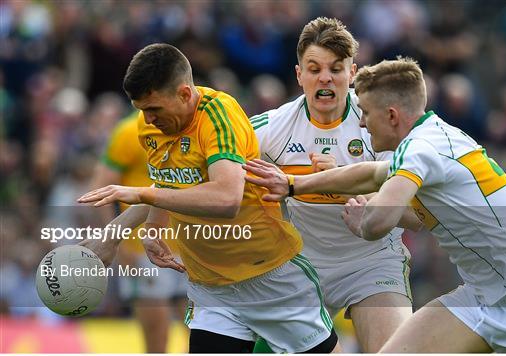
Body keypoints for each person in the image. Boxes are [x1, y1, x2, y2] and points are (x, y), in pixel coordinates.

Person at [243, 57, 506, 353]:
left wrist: (363, 218)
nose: (361, 122)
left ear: (392, 116)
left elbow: (377, 223)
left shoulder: (420, 149)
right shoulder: (429, 138)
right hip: (480, 295)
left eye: (367, 113)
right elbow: (370, 173)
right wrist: (294, 185)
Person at [78, 43, 339, 353]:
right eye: (142, 110)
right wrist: (133, 232)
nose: (147, 119)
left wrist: (140, 194)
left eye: (155, 109)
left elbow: (227, 198)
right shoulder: (148, 126)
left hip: (270, 276)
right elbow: (169, 184)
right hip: (210, 288)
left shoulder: (219, 116)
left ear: (186, 94)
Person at [250, 17, 412, 352]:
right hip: (300, 267)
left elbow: (417, 216)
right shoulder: (272, 128)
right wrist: (137, 220)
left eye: (336, 69)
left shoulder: (382, 126)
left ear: (353, 74)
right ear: (299, 76)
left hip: (371, 261)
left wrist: (344, 183)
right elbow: (201, 170)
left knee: (393, 351)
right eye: (314, 68)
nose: (325, 77)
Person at [90, 111, 188, 353]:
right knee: (157, 335)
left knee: (199, 331)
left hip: (188, 246)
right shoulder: (128, 131)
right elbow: (100, 188)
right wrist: (116, 242)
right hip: (140, 250)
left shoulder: (189, 128)